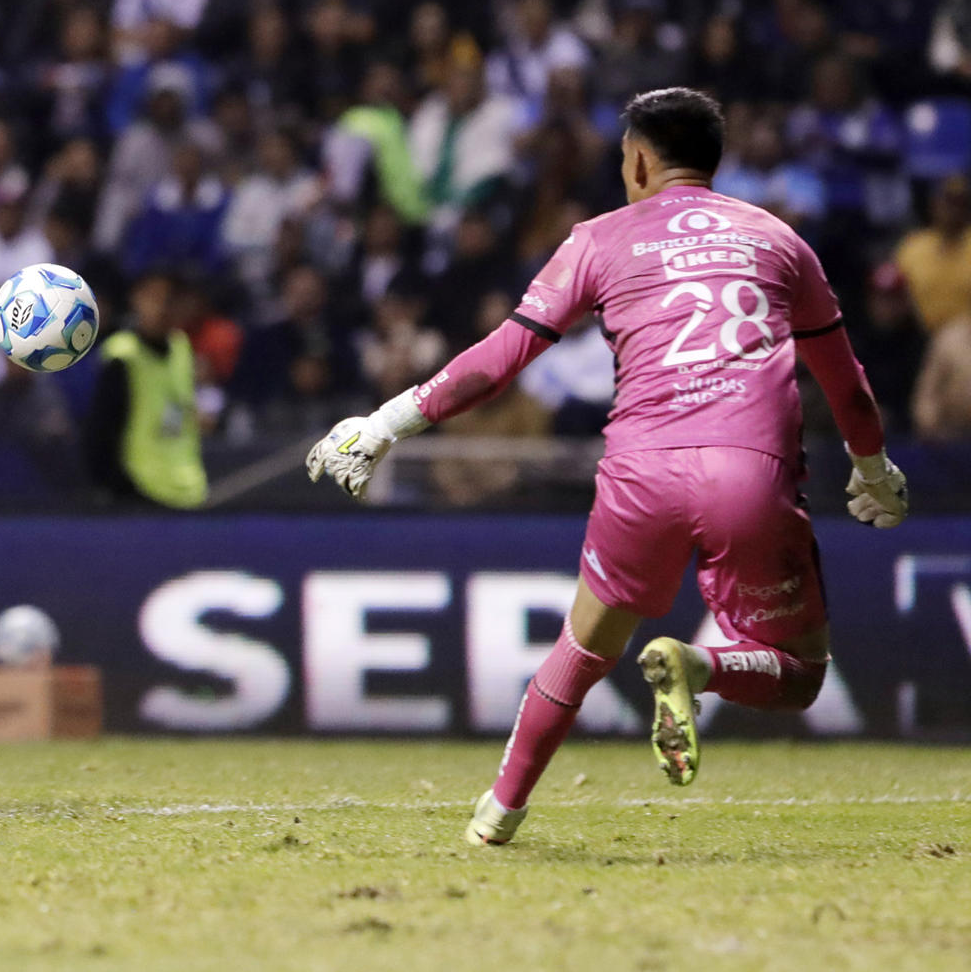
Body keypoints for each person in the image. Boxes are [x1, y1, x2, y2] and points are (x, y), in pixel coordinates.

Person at [307, 88, 908, 846]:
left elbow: (501, 360)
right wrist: (875, 470)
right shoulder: (780, 241)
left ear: (640, 160)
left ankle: (499, 811)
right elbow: (845, 381)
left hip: (641, 471)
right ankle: (699, 666)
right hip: (750, 471)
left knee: (584, 645)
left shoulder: (596, 238)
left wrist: (386, 422)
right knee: (801, 670)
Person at [84, 271, 208, 509]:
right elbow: (99, 434)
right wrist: (118, 488)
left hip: (188, 490)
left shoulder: (182, 348)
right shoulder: (122, 356)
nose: (161, 307)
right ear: (135, 299)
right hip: (140, 493)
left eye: (169, 299)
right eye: (153, 297)